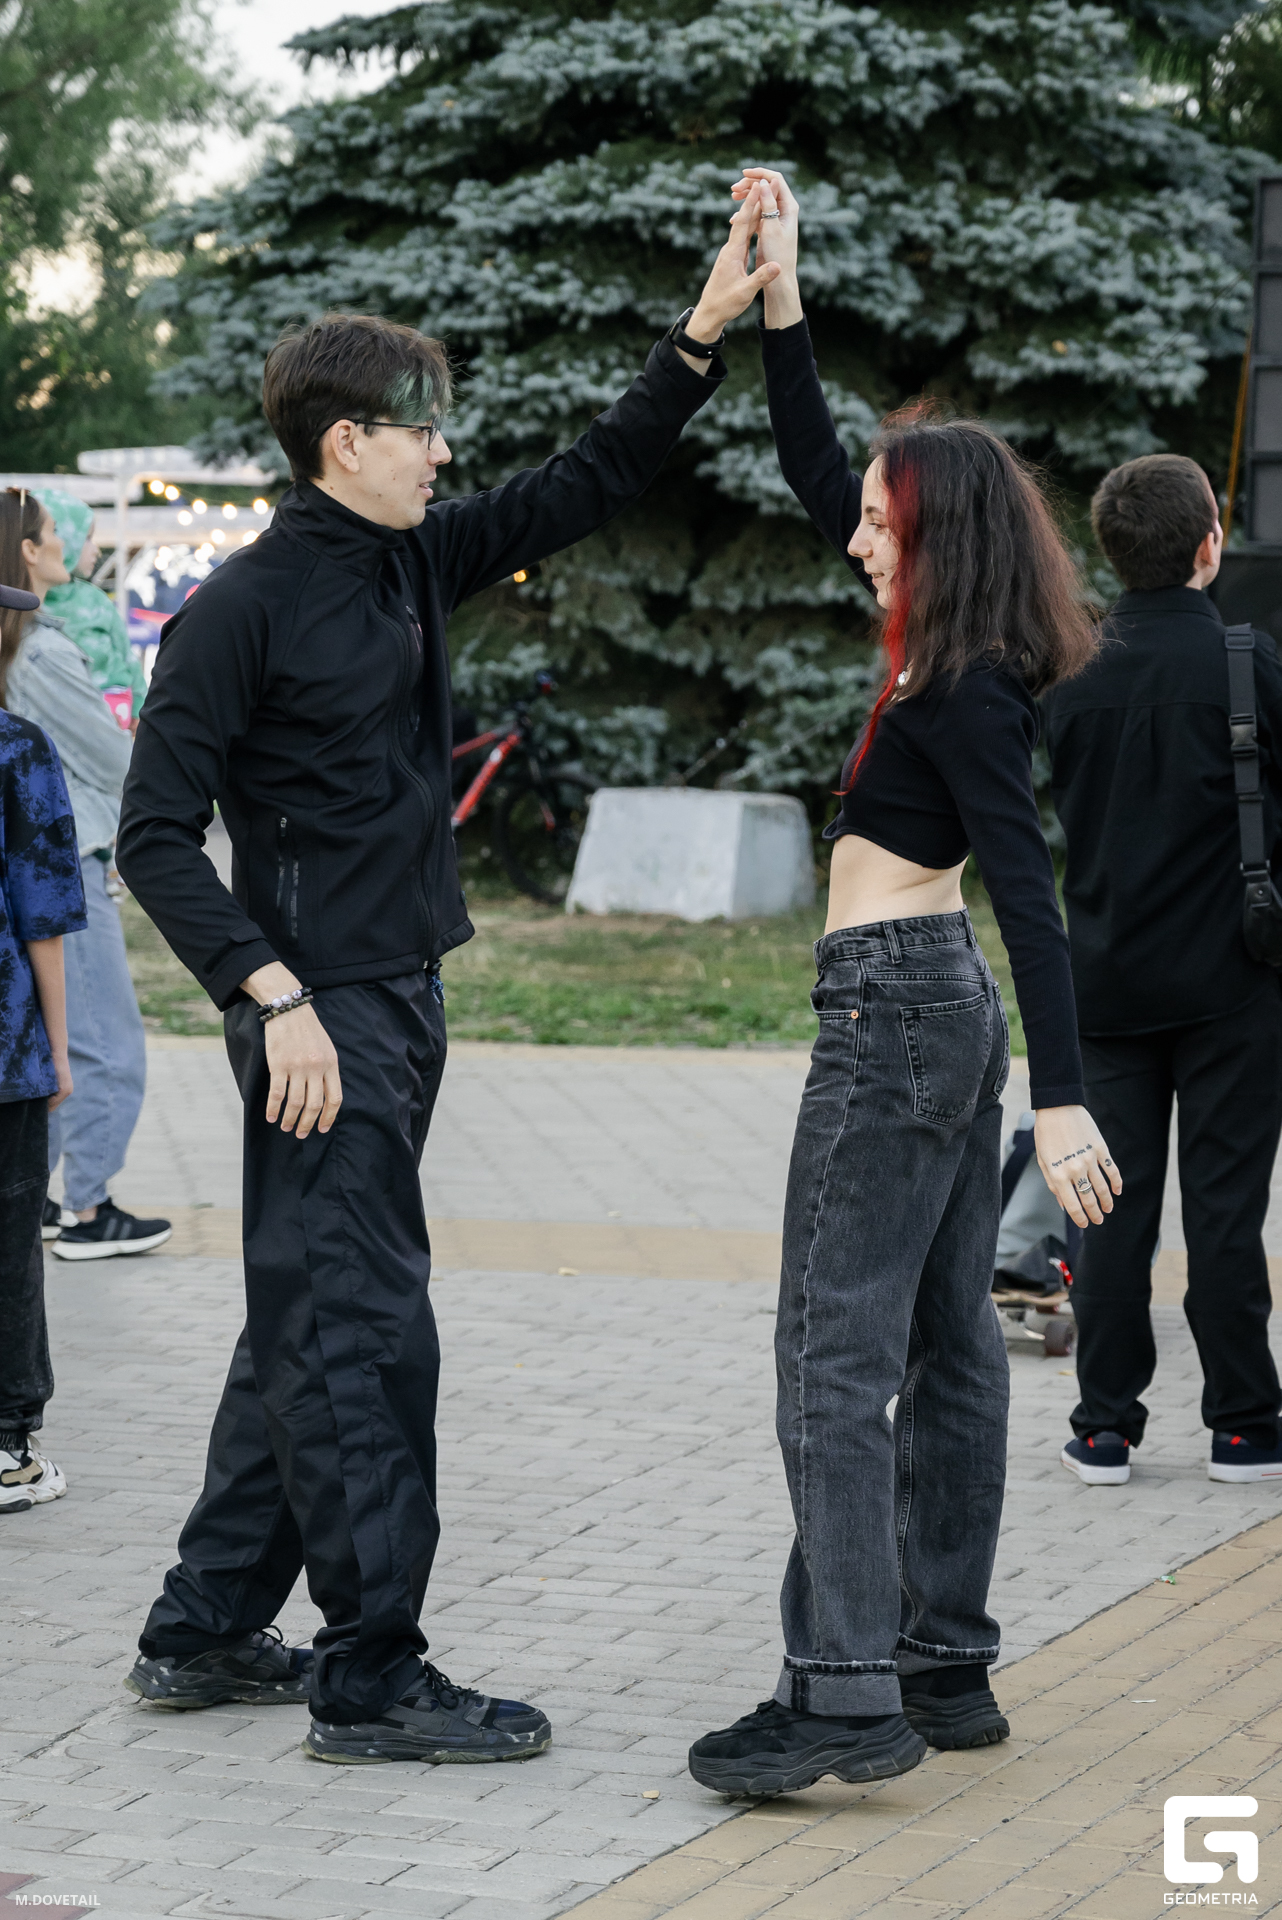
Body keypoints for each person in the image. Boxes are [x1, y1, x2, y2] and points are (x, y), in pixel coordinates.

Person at [113, 212, 782, 1760]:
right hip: (317, 1020)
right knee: (361, 1335)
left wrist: (699, 336)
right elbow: (152, 837)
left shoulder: (412, 559)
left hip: (399, 1000)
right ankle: (369, 1679)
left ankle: (203, 1625)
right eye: (422, 428)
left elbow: (585, 481)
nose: (443, 451)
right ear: (344, 442)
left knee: (307, 1313)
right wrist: (272, 995)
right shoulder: (239, 610)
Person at [685, 170, 1123, 1799]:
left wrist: (1064, 1103)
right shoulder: (947, 649)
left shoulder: (959, 692)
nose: (854, 530)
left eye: (882, 520)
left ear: (937, 538)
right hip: (933, 1013)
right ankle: (942, 1664)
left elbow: (1032, 892)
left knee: (830, 1353)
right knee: (944, 1346)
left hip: (894, 1018)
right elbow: (816, 461)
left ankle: (841, 1694)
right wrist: (781, 292)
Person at [1044, 454, 1282, 1486]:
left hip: (1103, 985)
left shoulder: (1070, 671)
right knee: (1224, 1211)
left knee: (1107, 1210)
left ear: (1110, 550)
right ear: (1209, 545)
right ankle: (1244, 1427)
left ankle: (1103, 1427)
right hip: (1235, 982)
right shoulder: (1246, 662)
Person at [0, 492, 171, 1260]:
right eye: (61, 536)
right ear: (29, 551)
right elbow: (110, 756)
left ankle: (41, 1197)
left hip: (37, 862)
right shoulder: (40, 652)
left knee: (54, 1036)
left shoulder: (23, 647)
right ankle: (88, 1208)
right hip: (67, 861)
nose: (80, 548)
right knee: (105, 1041)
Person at [0, 563, 86, 1512]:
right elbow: (45, 913)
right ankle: (7, 1448)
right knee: (8, 1242)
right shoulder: (17, 749)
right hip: (3, 1045)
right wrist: (58, 1049)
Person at [34, 488, 148, 729]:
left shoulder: (94, 599)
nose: (96, 549)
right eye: (86, 538)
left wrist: (140, 709)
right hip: (58, 716)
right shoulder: (21, 602)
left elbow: (126, 655)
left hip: (113, 708)